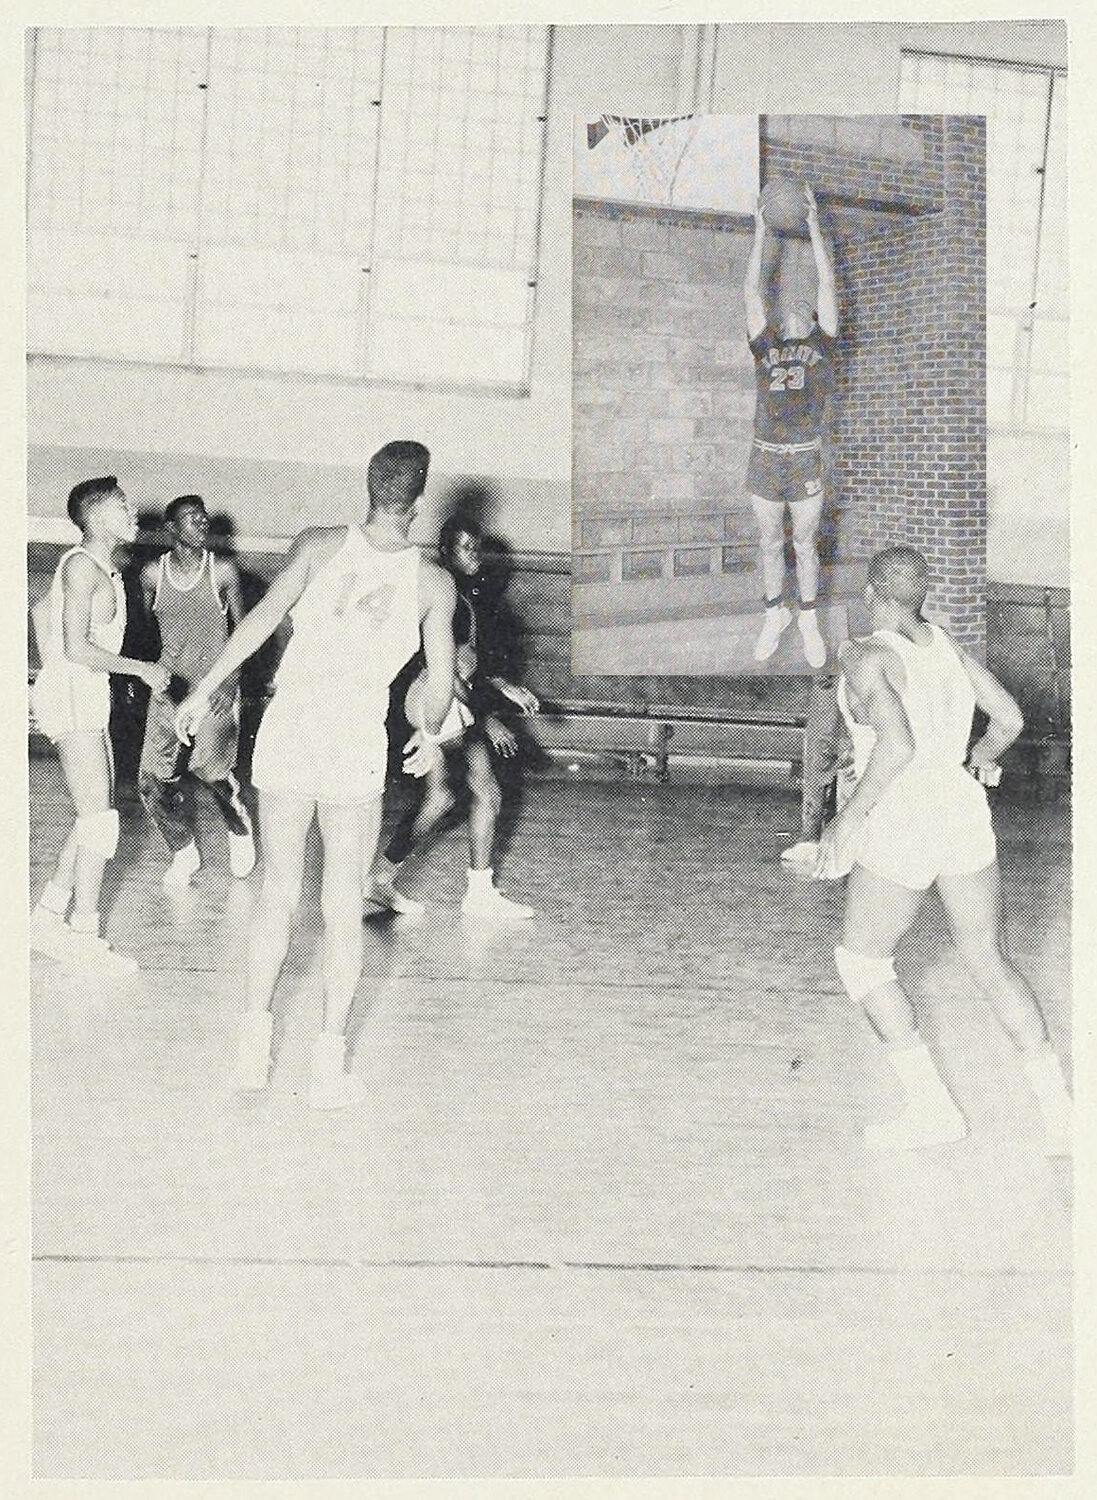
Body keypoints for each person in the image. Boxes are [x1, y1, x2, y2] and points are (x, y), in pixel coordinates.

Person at [175, 441, 456, 1109]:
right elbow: (439, 683)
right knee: (340, 905)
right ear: (416, 504)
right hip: (352, 737)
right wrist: (428, 733)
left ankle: (253, 1047)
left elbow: (257, 627)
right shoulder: (432, 582)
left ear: (367, 488)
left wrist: (203, 689)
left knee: (278, 888)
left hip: (291, 726)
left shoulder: (317, 544)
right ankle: (328, 1067)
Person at [816, 546, 1071, 1155]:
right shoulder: (947, 646)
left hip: (906, 813)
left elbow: (896, 749)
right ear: (923, 593)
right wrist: (980, 760)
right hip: (961, 808)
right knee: (988, 960)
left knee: (864, 963)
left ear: (871, 590)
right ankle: (1062, 1117)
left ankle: (933, 1111)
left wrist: (843, 825)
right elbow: (1007, 718)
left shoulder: (862, 655)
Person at [30, 477, 172, 973]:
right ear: (94, 517)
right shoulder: (85, 568)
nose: (133, 512)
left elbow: (40, 609)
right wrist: (140, 669)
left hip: (83, 693)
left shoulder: (102, 570)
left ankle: (47, 914)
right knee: (99, 821)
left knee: (93, 812)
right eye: (122, 506)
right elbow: (74, 648)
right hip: (74, 693)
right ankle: (82, 934)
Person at [366, 515, 539, 921]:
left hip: (445, 696)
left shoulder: (468, 597)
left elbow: (470, 665)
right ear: (446, 551)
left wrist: (503, 686)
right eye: (465, 547)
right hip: (431, 697)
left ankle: (391, 879)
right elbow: (447, 672)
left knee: (467, 793)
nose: (474, 554)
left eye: (477, 547)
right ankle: (393, 879)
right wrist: (486, 718)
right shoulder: (446, 596)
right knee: (467, 792)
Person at [138, 495, 256, 889]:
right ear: (172, 529)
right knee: (151, 780)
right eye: (192, 518)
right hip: (170, 686)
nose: (202, 523)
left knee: (208, 769)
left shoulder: (222, 571)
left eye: (204, 517)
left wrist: (230, 681)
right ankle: (183, 850)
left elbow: (246, 633)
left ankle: (237, 823)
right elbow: (144, 634)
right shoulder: (152, 575)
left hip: (215, 686)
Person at [743, 184, 837, 670]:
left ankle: (807, 620)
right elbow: (751, 292)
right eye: (790, 308)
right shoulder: (766, 349)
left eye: (807, 306)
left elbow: (825, 283)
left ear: (815, 318)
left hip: (803, 455)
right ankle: (773, 615)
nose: (796, 305)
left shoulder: (822, 347)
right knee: (769, 541)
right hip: (764, 455)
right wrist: (761, 230)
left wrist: (814, 226)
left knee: (804, 541)